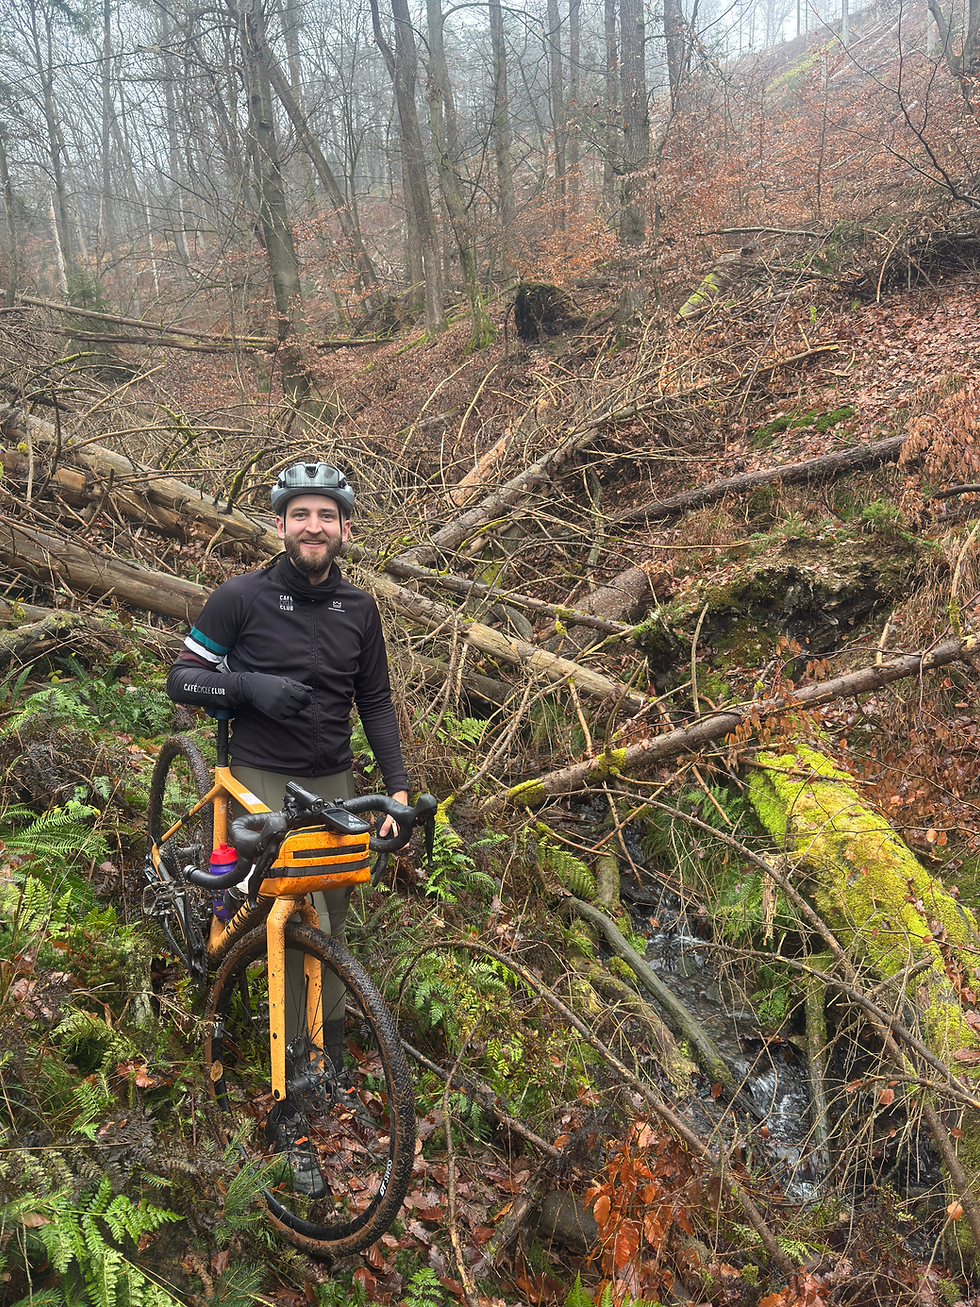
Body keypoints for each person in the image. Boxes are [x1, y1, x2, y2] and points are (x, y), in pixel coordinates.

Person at [166, 460, 409, 1196]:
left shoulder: (359, 609)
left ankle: (320, 1059)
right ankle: (281, 1092)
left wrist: (395, 789)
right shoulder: (241, 597)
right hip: (260, 776)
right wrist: (247, 688)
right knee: (261, 916)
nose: (313, 527)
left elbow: (376, 702)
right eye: (300, 514)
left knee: (325, 921)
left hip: (332, 781)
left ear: (343, 529)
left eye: (326, 516)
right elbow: (182, 678)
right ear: (279, 523)